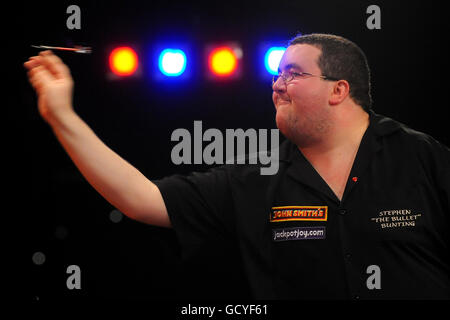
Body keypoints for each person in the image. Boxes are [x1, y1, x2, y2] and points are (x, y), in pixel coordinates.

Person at [24, 33, 449, 299]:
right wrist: (61, 115)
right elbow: (140, 198)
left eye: (293, 74)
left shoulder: (422, 156)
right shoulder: (254, 180)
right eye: (276, 75)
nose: (276, 84)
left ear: (339, 89)